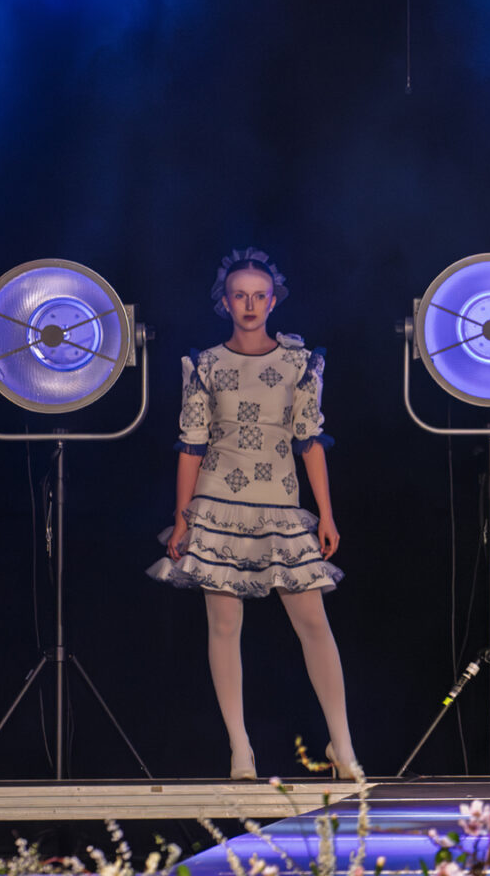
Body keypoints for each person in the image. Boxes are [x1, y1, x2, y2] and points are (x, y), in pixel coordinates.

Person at [147, 248, 359, 781]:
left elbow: (309, 441)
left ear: (272, 301)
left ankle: (342, 745)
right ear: (224, 302)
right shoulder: (206, 366)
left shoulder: (298, 363)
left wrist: (326, 514)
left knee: (313, 622)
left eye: (258, 295)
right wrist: (183, 518)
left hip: (280, 505)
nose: (249, 304)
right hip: (217, 503)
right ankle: (240, 749)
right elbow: (192, 445)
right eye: (239, 295)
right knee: (224, 625)